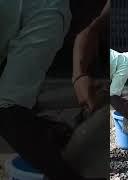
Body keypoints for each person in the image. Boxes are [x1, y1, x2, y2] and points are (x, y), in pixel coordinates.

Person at [0, 0, 98, 179]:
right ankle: (53, 134)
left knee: (8, 109)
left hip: (42, 10)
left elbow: (8, 110)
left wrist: (79, 75)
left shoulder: (47, 14)